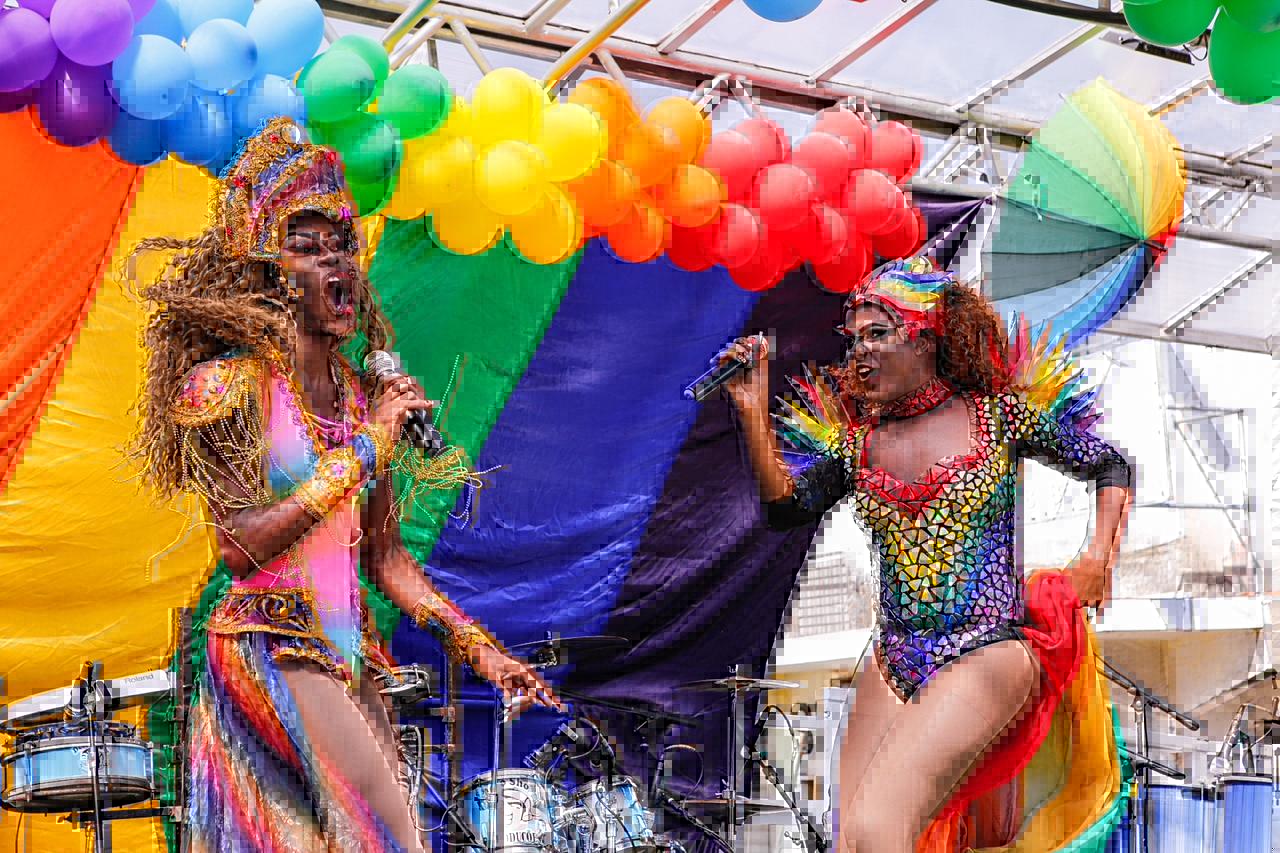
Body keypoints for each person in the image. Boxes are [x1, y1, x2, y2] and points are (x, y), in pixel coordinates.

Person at [128, 118, 560, 852]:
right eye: (308, 244)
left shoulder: (367, 399)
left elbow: (386, 561)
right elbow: (241, 544)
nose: (337, 262)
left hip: (345, 651)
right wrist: (364, 449)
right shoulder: (227, 386)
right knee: (382, 837)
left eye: (343, 244)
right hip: (266, 641)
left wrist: (481, 649)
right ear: (269, 272)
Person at [720, 257, 1132, 852]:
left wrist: (1098, 556)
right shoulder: (858, 443)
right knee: (852, 843)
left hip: (986, 651)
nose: (860, 352)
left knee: (878, 830)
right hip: (895, 660)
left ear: (927, 335)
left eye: (878, 334)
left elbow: (1109, 464)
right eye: (855, 338)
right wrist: (752, 410)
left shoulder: (998, 417)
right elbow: (786, 508)